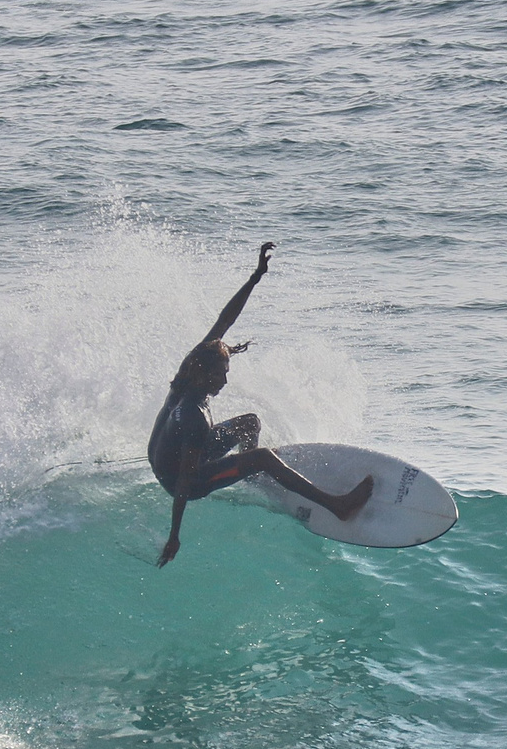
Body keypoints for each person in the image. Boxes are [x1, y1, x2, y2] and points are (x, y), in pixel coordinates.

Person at [148, 241, 373, 567]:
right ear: (207, 374)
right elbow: (184, 482)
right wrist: (174, 535)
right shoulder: (195, 418)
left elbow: (224, 321)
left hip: (164, 456)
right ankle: (337, 506)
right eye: (222, 374)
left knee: (249, 423)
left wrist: (255, 278)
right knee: (265, 457)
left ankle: (248, 471)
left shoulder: (189, 371)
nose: (226, 380)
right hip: (185, 481)